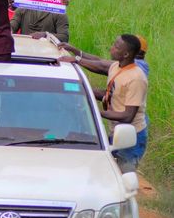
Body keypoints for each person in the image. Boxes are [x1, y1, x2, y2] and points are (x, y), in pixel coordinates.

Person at [59, 35, 148, 173]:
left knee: (123, 178)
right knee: (109, 171)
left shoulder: (136, 78)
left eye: (116, 47)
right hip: (116, 132)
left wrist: (94, 112)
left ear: (126, 54)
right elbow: (100, 66)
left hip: (131, 137)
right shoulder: (116, 66)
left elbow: (128, 116)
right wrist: (77, 63)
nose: (111, 48)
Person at [58, 35, 150, 78]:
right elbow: (100, 60)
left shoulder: (138, 66)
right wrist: (76, 51)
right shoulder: (126, 62)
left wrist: (77, 59)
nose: (111, 48)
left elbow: (103, 66)